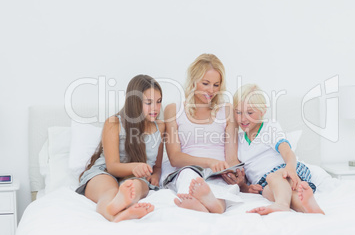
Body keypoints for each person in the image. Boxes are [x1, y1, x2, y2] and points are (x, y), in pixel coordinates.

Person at [76, 75, 165, 222]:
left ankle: (123, 209)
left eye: (159, 101)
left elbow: (158, 166)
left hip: (136, 177)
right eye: (149, 102)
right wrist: (135, 166)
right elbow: (112, 167)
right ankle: (113, 212)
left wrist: (155, 175)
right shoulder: (114, 123)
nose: (155, 108)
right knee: (109, 192)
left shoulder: (160, 127)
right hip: (105, 172)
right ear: (134, 102)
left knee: (135, 186)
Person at [230, 84, 324, 215]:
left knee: (275, 179)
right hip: (264, 183)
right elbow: (246, 177)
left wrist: (290, 168)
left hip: (285, 170)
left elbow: (286, 151)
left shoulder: (270, 127)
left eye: (249, 113)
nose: (243, 118)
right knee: (274, 193)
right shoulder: (238, 141)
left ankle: (281, 205)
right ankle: (310, 210)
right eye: (238, 112)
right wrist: (245, 187)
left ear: (262, 111)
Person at [164, 53, 240, 214]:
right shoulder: (174, 110)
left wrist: (236, 173)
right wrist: (209, 162)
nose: (211, 90)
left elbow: (232, 157)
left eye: (216, 85)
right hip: (190, 169)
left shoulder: (227, 110)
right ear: (193, 81)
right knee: (188, 177)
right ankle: (206, 204)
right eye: (205, 83)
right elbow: (175, 158)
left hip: (218, 173)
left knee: (222, 187)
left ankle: (211, 205)